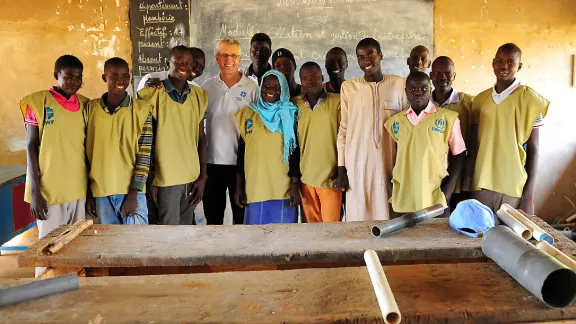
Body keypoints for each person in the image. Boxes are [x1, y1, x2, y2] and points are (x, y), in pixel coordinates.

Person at [20, 54, 89, 277]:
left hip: (77, 187)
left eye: (78, 77)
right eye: (68, 76)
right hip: (50, 190)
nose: (74, 82)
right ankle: (45, 287)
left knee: (75, 244)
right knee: (48, 247)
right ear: (56, 75)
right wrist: (36, 192)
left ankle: (73, 285)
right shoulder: (38, 102)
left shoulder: (85, 105)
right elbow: (31, 147)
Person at [466, 43, 549, 215]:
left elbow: (534, 150)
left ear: (519, 66)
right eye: (499, 61)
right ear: (493, 63)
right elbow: (473, 147)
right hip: (482, 183)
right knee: (480, 237)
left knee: (512, 238)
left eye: (510, 62)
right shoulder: (479, 101)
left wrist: (529, 196)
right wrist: (467, 184)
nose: (503, 66)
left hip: (513, 186)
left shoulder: (531, 101)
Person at [334, 38, 408, 221]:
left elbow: (409, 126)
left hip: (390, 162)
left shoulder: (399, 84)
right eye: (361, 57)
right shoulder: (349, 88)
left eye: (370, 55)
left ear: (380, 56)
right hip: (357, 163)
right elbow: (343, 129)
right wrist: (341, 167)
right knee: (359, 215)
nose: (366, 61)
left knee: (389, 214)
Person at [137, 45, 208, 225]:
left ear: (193, 66)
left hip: (191, 177)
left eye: (188, 62)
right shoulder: (152, 94)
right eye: (178, 62)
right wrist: (151, 176)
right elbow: (144, 140)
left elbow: (201, 138)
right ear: (168, 63)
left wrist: (202, 176)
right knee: (167, 235)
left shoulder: (198, 96)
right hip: (166, 178)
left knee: (185, 234)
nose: (183, 66)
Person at [385, 72, 466, 214]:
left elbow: (459, 155)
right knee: (404, 236)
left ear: (430, 90)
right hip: (403, 196)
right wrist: (392, 188)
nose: (418, 92)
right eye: (413, 89)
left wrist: (448, 190)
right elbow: (391, 159)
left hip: (434, 195)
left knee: (434, 235)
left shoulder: (447, 119)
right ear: (406, 92)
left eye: (423, 88)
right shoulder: (395, 122)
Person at [85, 57, 153, 225]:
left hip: (131, 192)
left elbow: (144, 156)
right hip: (100, 191)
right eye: (113, 76)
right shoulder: (90, 109)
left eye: (125, 76)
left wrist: (133, 193)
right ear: (104, 78)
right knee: (109, 247)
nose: (120, 81)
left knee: (136, 246)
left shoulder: (142, 110)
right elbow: (84, 155)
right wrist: (89, 193)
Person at [202, 38, 258, 225]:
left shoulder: (252, 88)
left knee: (241, 220)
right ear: (217, 58)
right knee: (213, 220)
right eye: (224, 55)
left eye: (233, 55)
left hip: (241, 165)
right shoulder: (207, 87)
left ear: (240, 58)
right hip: (212, 164)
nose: (229, 60)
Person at [234, 70, 301, 224]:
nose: (271, 90)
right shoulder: (248, 114)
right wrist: (239, 187)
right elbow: (242, 154)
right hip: (255, 188)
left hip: (283, 190)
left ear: (283, 89)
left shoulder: (290, 113)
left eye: (277, 87)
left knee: (283, 240)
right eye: (267, 85)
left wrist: (295, 186)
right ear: (261, 86)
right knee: (256, 241)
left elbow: (295, 153)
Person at [293, 62, 342, 222]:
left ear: (322, 77)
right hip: (306, 179)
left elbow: (346, 137)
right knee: (311, 234)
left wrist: (342, 169)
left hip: (330, 179)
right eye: (305, 78)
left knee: (331, 233)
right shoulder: (295, 105)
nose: (310, 81)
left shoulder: (338, 102)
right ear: (300, 81)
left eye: (314, 76)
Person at [430, 56, 474, 209]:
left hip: (459, 182)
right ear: (431, 76)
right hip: (431, 179)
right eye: (437, 73)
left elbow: (473, 145)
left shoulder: (468, 103)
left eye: (447, 73)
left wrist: (465, 183)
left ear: (454, 76)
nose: (442, 77)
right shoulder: (423, 105)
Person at [136, 47, 205, 91]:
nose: (197, 69)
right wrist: (147, 90)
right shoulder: (151, 79)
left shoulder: (196, 90)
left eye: (201, 67)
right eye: (193, 63)